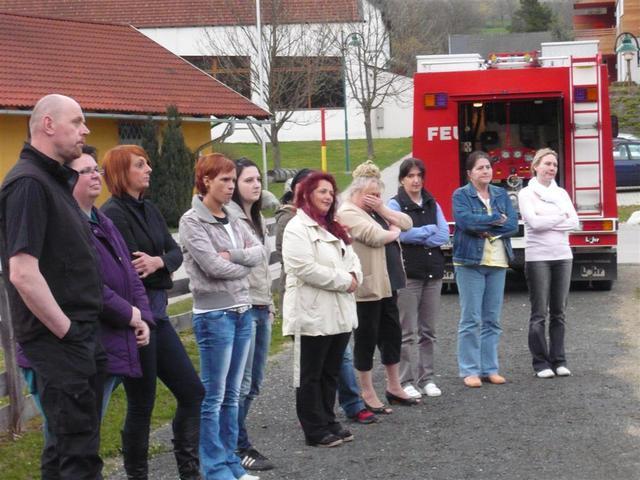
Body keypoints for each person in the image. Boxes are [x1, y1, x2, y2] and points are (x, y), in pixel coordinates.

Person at [0, 94, 105, 479]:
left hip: (78, 339)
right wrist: (68, 331)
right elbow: (22, 272)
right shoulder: (28, 184)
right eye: (77, 122)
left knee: (66, 452)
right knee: (77, 457)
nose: (86, 129)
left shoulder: (52, 180)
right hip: (59, 342)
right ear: (47, 125)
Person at [101, 145, 205, 480]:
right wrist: (161, 265)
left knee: (192, 391)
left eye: (147, 164)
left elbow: (174, 253)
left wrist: (159, 261)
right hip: (136, 321)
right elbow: (132, 270)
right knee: (142, 403)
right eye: (140, 165)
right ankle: (137, 475)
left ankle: (189, 472)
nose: (149, 169)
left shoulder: (150, 209)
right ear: (121, 172)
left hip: (158, 314)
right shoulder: (114, 214)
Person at [179, 153, 263, 480]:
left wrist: (235, 257)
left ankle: (231, 463)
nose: (231, 186)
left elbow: (257, 250)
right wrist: (241, 268)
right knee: (213, 396)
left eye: (232, 180)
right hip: (215, 315)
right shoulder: (191, 221)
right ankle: (214, 468)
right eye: (224, 180)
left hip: (242, 311)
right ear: (206, 181)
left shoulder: (233, 213)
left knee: (232, 395)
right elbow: (211, 266)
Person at [275, 169, 376, 425]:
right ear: (307, 194)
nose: (328, 196)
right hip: (311, 314)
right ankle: (314, 428)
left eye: (331, 192)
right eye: (322, 191)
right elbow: (304, 268)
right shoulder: (297, 227)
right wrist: (346, 281)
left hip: (338, 313)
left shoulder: (334, 227)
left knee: (331, 372)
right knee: (311, 374)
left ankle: (329, 421)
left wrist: (355, 276)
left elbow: (352, 260)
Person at [337, 161, 416, 414]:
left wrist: (383, 209)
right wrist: (393, 231)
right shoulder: (348, 212)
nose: (375, 199)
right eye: (370, 195)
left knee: (392, 336)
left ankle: (394, 386)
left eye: (378, 195)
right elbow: (375, 236)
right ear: (356, 192)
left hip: (388, 284)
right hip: (367, 288)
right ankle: (366, 390)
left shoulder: (377, 211)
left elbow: (407, 223)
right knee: (366, 339)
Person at [452, 150, 518, 388]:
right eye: (480, 168)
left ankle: (490, 368)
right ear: (469, 173)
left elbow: (512, 225)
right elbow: (465, 222)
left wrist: (491, 226)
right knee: (471, 318)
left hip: (498, 262)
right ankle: (469, 370)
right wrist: (496, 220)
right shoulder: (461, 195)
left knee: (492, 319)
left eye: (488, 167)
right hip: (470, 262)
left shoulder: (501, 194)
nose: (486, 171)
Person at [226, 158, 275, 471]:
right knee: (239, 384)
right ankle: (234, 445)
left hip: (262, 305)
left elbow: (261, 266)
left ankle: (233, 440)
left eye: (258, 179)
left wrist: (269, 303)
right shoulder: (229, 218)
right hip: (241, 307)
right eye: (248, 180)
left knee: (255, 383)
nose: (256, 185)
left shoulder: (255, 217)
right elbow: (233, 261)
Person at [388, 158, 449, 399]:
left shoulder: (432, 202)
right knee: (406, 331)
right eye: (410, 176)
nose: (416, 180)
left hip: (433, 272)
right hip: (408, 274)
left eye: (419, 175)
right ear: (402, 179)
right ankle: (406, 379)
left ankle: (428, 378)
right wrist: (426, 232)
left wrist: (417, 235)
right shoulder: (395, 204)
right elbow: (398, 234)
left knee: (428, 330)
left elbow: (443, 233)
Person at [518, 148, 579, 379]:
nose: (551, 168)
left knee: (559, 312)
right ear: (536, 166)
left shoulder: (562, 193)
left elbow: (574, 222)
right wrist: (559, 218)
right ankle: (541, 363)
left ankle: (559, 360)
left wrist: (552, 221)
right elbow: (533, 223)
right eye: (547, 164)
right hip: (538, 258)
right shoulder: (526, 193)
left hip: (563, 256)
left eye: (554, 164)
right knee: (539, 313)